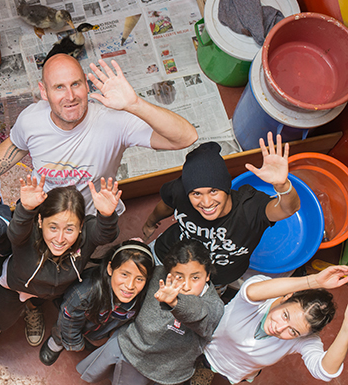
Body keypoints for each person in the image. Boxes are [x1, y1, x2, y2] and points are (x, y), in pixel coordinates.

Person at [0, 55, 198, 215]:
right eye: (59, 87)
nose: (70, 97)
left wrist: (136, 104)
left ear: (86, 85)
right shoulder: (31, 119)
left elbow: (186, 138)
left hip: (90, 216)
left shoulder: (115, 122)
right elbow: (15, 146)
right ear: (44, 92)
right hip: (40, 210)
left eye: (75, 84)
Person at [0, 176, 120, 372]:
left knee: (37, 302)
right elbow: (15, 231)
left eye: (69, 229)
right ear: (39, 221)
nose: (60, 239)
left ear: (81, 227)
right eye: (53, 227)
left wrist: (106, 215)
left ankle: (32, 309)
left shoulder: (86, 234)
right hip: (14, 286)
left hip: (51, 291)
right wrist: (26, 209)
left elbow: (105, 234)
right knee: (2, 319)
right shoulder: (26, 232)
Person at [143, 134, 300, 288]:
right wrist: (150, 223)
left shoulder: (250, 207)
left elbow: (288, 208)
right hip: (167, 255)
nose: (206, 203)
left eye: (213, 191)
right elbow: (166, 205)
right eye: (196, 194)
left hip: (216, 276)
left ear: (226, 188)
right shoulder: (179, 191)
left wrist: (282, 185)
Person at [76, 239, 225, 385]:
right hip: (132, 347)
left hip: (169, 369)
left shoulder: (214, 306)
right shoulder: (158, 275)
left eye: (195, 277)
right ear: (168, 272)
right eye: (179, 276)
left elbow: (199, 315)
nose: (186, 286)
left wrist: (175, 303)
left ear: (208, 276)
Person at [198, 265, 348, 384]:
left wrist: (346, 330)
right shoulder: (263, 292)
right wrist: (313, 281)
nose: (278, 328)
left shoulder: (305, 338)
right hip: (200, 349)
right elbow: (251, 292)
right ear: (287, 297)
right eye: (285, 315)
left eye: (293, 332)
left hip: (234, 374)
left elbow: (324, 371)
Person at [40, 240, 155, 366]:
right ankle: (56, 342)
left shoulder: (141, 297)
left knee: (92, 341)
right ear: (110, 268)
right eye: (124, 274)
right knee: (62, 331)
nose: (129, 285)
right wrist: (74, 343)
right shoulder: (83, 294)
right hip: (73, 325)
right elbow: (69, 321)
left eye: (139, 279)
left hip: (99, 329)